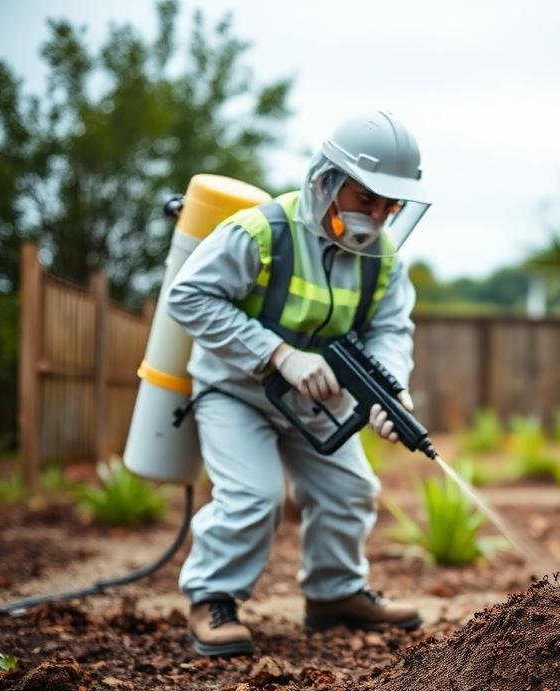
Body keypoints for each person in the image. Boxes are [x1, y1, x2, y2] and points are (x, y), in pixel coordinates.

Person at [166, 111, 429, 657]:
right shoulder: (260, 231)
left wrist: (390, 391)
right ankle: (212, 599)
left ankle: (334, 596)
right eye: (366, 199)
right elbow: (188, 296)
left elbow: (389, 330)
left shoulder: (383, 260)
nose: (377, 217)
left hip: (317, 402)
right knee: (253, 496)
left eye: (390, 206)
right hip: (236, 391)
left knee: (351, 490)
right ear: (326, 182)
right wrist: (277, 354)